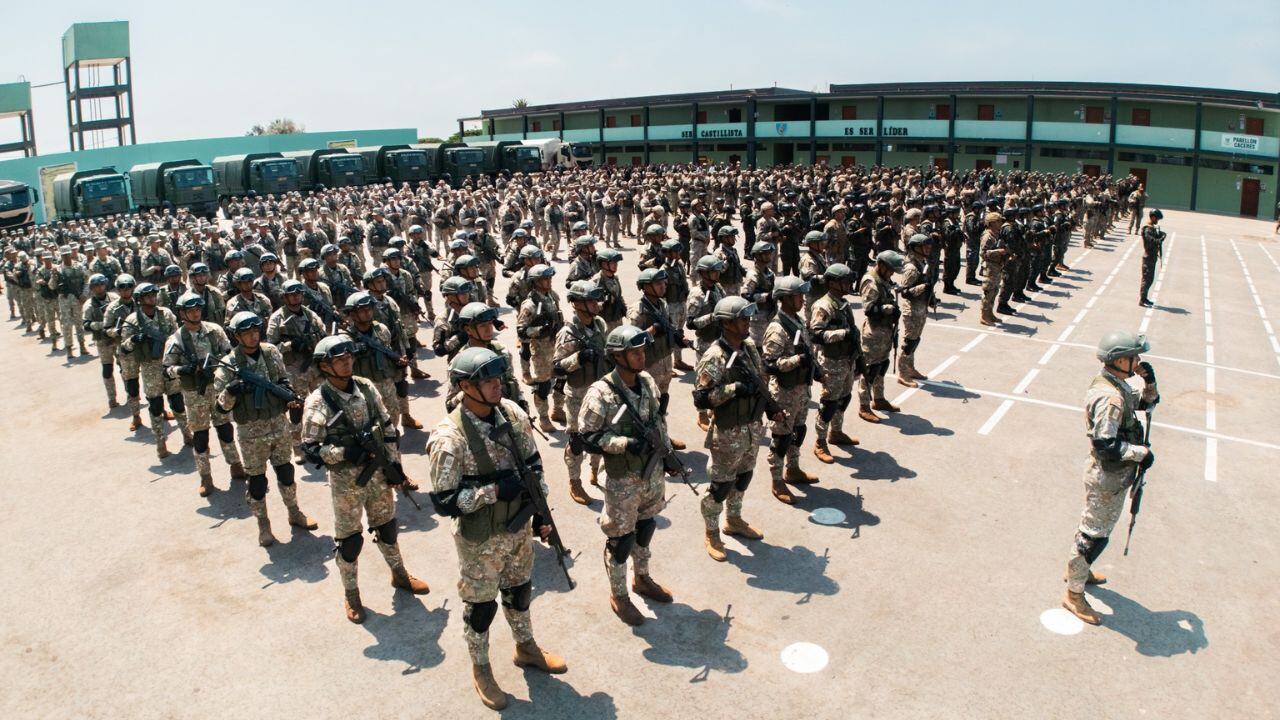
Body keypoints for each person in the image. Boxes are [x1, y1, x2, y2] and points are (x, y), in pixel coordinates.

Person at [426, 347, 568, 711]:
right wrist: (491, 492)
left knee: (520, 592)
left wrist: (541, 513)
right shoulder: (449, 438)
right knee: (481, 608)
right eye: (485, 381)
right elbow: (443, 501)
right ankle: (482, 668)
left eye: (497, 378)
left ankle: (525, 647)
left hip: (518, 528)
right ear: (463, 386)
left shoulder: (513, 414)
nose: (495, 386)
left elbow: (533, 467)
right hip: (481, 539)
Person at [300, 336, 429, 624]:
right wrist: (343, 452)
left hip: (379, 475)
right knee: (350, 542)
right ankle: (352, 594)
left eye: (349, 357)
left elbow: (387, 426)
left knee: (387, 529)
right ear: (325, 366)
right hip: (347, 484)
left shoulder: (367, 387)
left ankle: (399, 574)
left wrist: (395, 465)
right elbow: (310, 448)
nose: (347, 362)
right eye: (339, 360)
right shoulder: (318, 401)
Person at [580, 324, 675, 625]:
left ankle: (642, 578)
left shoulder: (647, 382)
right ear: (618, 357)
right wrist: (624, 443)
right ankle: (619, 594)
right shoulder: (601, 393)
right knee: (621, 540)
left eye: (642, 351)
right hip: (623, 479)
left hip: (651, 472)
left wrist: (669, 453)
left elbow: (658, 422)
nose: (641, 357)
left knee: (646, 527)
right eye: (634, 352)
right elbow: (586, 437)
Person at [1063, 331, 1159, 625]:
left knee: (1095, 529)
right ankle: (1073, 593)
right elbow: (1105, 446)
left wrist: (1149, 382)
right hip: (1107, 476)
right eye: (1134, 357)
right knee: (1093, 536)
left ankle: (1080, 570)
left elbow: (1145, 405)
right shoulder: (1110, 398)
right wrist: (1139, 453)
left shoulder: (1116, 385)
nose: (1138, 361)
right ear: (1119, 359)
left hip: (1114, 477)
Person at [693, 296, 786, 562]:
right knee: (720, 486)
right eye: (743, 319)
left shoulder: (747, 348)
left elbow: (760, 382)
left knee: (743, 477)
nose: (749, 323)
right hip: (728, 433)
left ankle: (733, 519)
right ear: (728, 323)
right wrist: (733, 389)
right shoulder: (715, 356)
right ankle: (712, 532)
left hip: (752, 428)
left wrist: (772, 408)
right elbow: (701, 397)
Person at [215, 312, 318, 547]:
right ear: (237, 337)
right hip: (251, 433)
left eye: (255, 331)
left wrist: (287, 395)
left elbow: (283, 378)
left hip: (278, 426)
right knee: (258, 483)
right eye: (246, 333)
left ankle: (294, 512)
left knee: (286, 474)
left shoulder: (271, 352)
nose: (252, 336)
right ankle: (263, 525)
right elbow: (220, 408)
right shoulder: (228, 365)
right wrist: (230, 392)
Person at [162, 292, 233, 496]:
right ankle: (205, 476)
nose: (195, 313)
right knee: (201, 436)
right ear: (182, 313)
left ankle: (235, 464)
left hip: (217, 387)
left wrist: (218, 363)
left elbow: (230, 354)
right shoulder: (176, 340)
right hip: (194, 393)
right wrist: (182, 370)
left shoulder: (215, 330)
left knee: (225, 428)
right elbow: (166, 369)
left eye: (198, 309)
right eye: (190, 310)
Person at [762, 276, 820, 504]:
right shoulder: (777, 329)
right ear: (785, 299)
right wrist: (797, 360)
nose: (802, 299)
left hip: (801, 390)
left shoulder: (797, 320)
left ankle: (793, 468)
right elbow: (770, 365)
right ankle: (777, 479)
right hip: (784, 393)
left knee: (798, 431)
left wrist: (816, 369)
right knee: (781, 439)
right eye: (798, 295)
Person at [553, 281, 609, 504]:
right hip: (578, 395)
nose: (596, 305)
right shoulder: (568, 333)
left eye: (596, 300)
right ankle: (574, 482)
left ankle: (595, 471)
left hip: (600, 390)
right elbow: (556, 367)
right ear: (576, 304)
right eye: (590, 301)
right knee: (577, 442)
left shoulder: (599, 325)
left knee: (600, 437)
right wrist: (578, 358)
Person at [119, 283, 186, 458]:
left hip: (168, 363)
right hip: (149, 367)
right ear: (140, 299)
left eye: (154, 295)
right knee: (156, 406)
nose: (152, 298)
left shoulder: (166, 314)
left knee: (177, 401)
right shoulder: (133, 320)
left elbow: (177, 335)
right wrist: (134, 340)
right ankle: (160, 442)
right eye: (147, 296)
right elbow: (124, 348)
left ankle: (187, 433)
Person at [809, 263, 866, 459]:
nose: (850, 285)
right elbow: (815, 334)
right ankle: (820, 441)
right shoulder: (823, 305)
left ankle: (836, 432)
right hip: (831, 362)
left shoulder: (843, 303)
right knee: (828, 404)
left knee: (844, 398)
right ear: (833, 283)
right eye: (845, 282)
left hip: (846, 360)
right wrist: (843, 334)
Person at [516, 263, 565, 432]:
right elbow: (521, 331)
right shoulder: (529, 305)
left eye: (549, 278)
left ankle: (557, 410)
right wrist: (540, 330)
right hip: (542, 351)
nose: (548, 281)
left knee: (561, 380)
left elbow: (560, 317)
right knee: (543, 386)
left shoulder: (553, 296)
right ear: (535, 282)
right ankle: (543, 418)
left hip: (558, 346)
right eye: (544, 279)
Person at [857, 251, 904, 420]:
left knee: (882, 366)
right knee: (869, 370)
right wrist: (887, 309)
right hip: (874, 332)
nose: (892, 273)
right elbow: (869, 309)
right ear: (882, 265)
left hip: (885, 331)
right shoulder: (871, 281)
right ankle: (864, 406)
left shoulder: (883, 279)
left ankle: (879, 398)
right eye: (890, 269)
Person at [894, 234, 935, 388]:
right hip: (912, 310)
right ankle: (903, 373)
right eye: (924, 246)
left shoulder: (921, 263)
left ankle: (910, 368)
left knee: (915, 340)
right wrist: (923, 287)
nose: (928, 249)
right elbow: (905, 292)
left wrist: (931, 298)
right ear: (915, 248)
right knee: (909, 342)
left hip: (921, 308)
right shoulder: (911, 268)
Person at [1139, 209, 1165, 307]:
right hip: (1148, 257)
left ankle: (1145, 298)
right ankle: (1142, 299)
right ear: (1153, 217)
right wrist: (1160, 239)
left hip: (1152, 257)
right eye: (1157, 219)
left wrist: (1161, 234)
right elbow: (1152, 240)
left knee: (1150, 279)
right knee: (1146, 279)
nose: (1157, 221)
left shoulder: (1152, 228)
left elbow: (1156, 235)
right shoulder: (1147, 229)